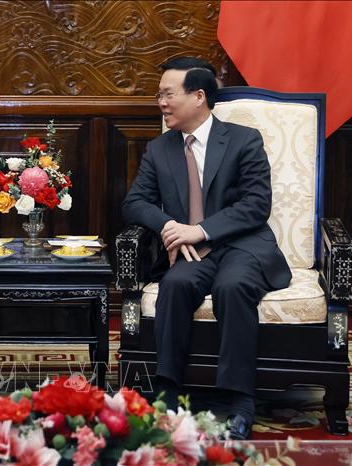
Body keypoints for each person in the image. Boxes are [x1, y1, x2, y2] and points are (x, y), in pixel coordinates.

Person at [122, 57, 291, 439]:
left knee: (233, 287)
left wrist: (200, 230)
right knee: (176, 285)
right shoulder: (159, 149)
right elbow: (134, 203)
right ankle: (167, 393)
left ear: (198, 96)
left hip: (242, 245)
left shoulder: (244, 140)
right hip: (189, 252)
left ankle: (240, 401)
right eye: (159, 95)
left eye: (168, 94)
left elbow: (256, 204)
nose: (161, 103)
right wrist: (169, 226)